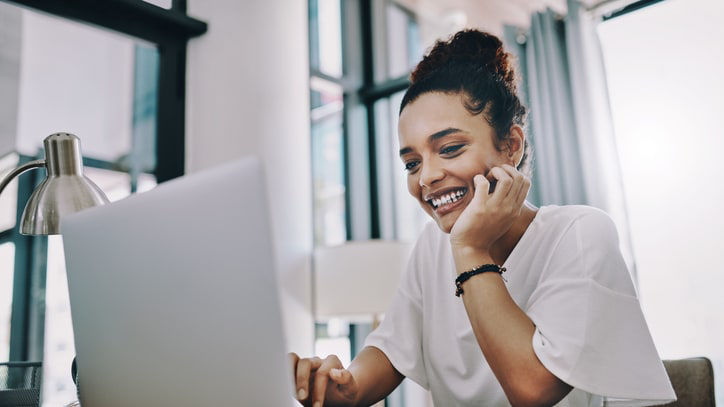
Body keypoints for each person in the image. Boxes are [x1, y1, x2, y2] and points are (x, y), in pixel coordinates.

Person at [289, 29, 676, 407]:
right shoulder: (431, 246)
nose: (426, 177)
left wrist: (471, 249)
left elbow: (533, 388)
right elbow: (390, 348)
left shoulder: (579, 233)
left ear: (511, 147)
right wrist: (346, 387)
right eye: (411, 163)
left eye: (451, 148)